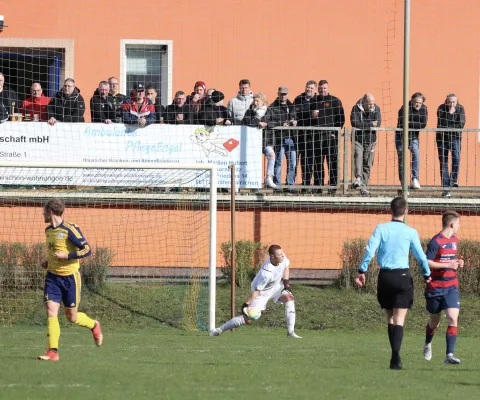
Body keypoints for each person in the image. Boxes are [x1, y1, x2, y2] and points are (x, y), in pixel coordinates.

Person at [356, 197, 431, 370]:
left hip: (385, 277)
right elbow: (420, 256)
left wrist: (362, 270)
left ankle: (394, 356)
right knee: (399, 319)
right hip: (402, 276)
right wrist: (426, 274)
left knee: (389, 317)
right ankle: (395, 356)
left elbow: (370, 250)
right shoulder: (411, 232)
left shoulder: (381, 228)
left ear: (390, 210)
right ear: (405, 211)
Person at [37, 198, 103, 361]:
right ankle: (53, 352)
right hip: (52, 277)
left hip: (70, 279)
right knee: (51, 311)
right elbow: (55, 251)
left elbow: (87, 250)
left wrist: (67, 256)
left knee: (71, 317)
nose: (43, 214)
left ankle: (94, 325)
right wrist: (49, 262)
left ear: (50, 211)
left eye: (44, 211)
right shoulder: (48, 231)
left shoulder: (70, 229)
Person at [209, 244, 301, 338]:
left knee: (289, 298)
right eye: (280, 254)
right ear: (272, 257)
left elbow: (286, 267)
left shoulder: (282, 258)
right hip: (261, 293)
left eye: (282, 253)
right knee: (249, 318)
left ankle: (291, 332)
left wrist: (286, 284)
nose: (283, 256)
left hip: (275, 287)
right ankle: (218, 330)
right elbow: (257, 291)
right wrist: (245, 305)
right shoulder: (266, 273)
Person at [423, 210, 463, 365]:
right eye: (458, 223)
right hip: (435, 287)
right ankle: (427, 343)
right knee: (435, 322)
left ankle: (449, 355)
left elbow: (451, 261)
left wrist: (458, 263)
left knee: (453, 318)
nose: (459, 226)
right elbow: (427, 262)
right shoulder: (435, 241)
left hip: (451, 286)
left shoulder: (455, 240)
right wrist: (447, 264)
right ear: (452, 224)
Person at [309, 80, 345, 194]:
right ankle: (318, 187)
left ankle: (333, 187)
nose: (322, 90)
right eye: (320, 88)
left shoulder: (335, 101)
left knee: (332, 162)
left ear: (328, 88)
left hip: (330, 137)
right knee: (318, 163)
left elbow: (341, 118)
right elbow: (308, 118)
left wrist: (336, 131)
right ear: (318, 89)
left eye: (324, 88)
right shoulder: (313, 101)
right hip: (317, 137)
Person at [242, 92, 281, 188]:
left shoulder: (269, 111)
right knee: (254, 161)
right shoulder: (250, 112)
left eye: (257, 100)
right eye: (254, 100)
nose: (255, 102)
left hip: (266, 140)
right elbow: (245, 122)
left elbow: (278, 121)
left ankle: (269, 177)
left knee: (272, 155)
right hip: (253, 141)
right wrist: (257, 122)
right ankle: (253, 184)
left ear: (263, 101)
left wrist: (267, 124)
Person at [350, 93, 382, 196]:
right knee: (358, 157)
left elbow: (378, 124)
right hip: (358, 139)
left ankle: (364, 187)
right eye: (369, 104)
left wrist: (365, 125)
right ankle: (358, 178)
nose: (372, 106)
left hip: (371, 139)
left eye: (373, 104)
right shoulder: (355, 108)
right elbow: (355, 123)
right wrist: (369, 124)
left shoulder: (376, 108)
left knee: (367, 163)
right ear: (364, 101)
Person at [396, 92, 428, 189]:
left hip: (413, 136)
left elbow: (423, 124)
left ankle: (415, 179)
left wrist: (410, 123)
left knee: (416, 153)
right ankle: (403, 184)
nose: (418, 104)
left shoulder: (424, 109)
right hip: (401, 136)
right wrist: (415, 124)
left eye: (420, 102)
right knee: (402, 159)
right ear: (412, 100)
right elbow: (403, 122)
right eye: (416, 102)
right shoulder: (404, 108)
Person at [436, 94, 466, 198]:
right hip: (442, 138)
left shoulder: (460, 109)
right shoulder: (441, 108)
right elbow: (442, 123)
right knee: (444, 163)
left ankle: (453, 180)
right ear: (446, 101)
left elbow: (461, 124)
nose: (451, 104)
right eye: (450, 102)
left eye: (454, 102)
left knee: (456, 158)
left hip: (455, 138)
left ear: (457, 102)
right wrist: (450, 114)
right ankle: (446, 190)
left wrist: (450, 125)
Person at [269, 86, 297, 188]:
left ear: (288, 94)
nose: (283, 96)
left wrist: (295, 122)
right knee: (278, 162)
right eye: (281, 94)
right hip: (279, 138)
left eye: (285, 94)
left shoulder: (292, 106)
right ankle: (277, 186)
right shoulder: (273, 106)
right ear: (278, 94)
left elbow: (296, 117)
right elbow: (270, 122)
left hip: (291, 137)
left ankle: (290, 186)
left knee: (292, 163)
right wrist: (281, 124)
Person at [293, 80, 317, 190]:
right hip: (298, 135)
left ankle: (306, 184)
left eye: (311, 88)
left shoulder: (317, 100)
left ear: (315, 90)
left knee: (308, 161)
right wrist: (294, 120)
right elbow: (293, 113)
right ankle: (291, 184)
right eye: (308, 87)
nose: (309, 90)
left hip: (311, 136)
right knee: (294, 160)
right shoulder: (298, 99)